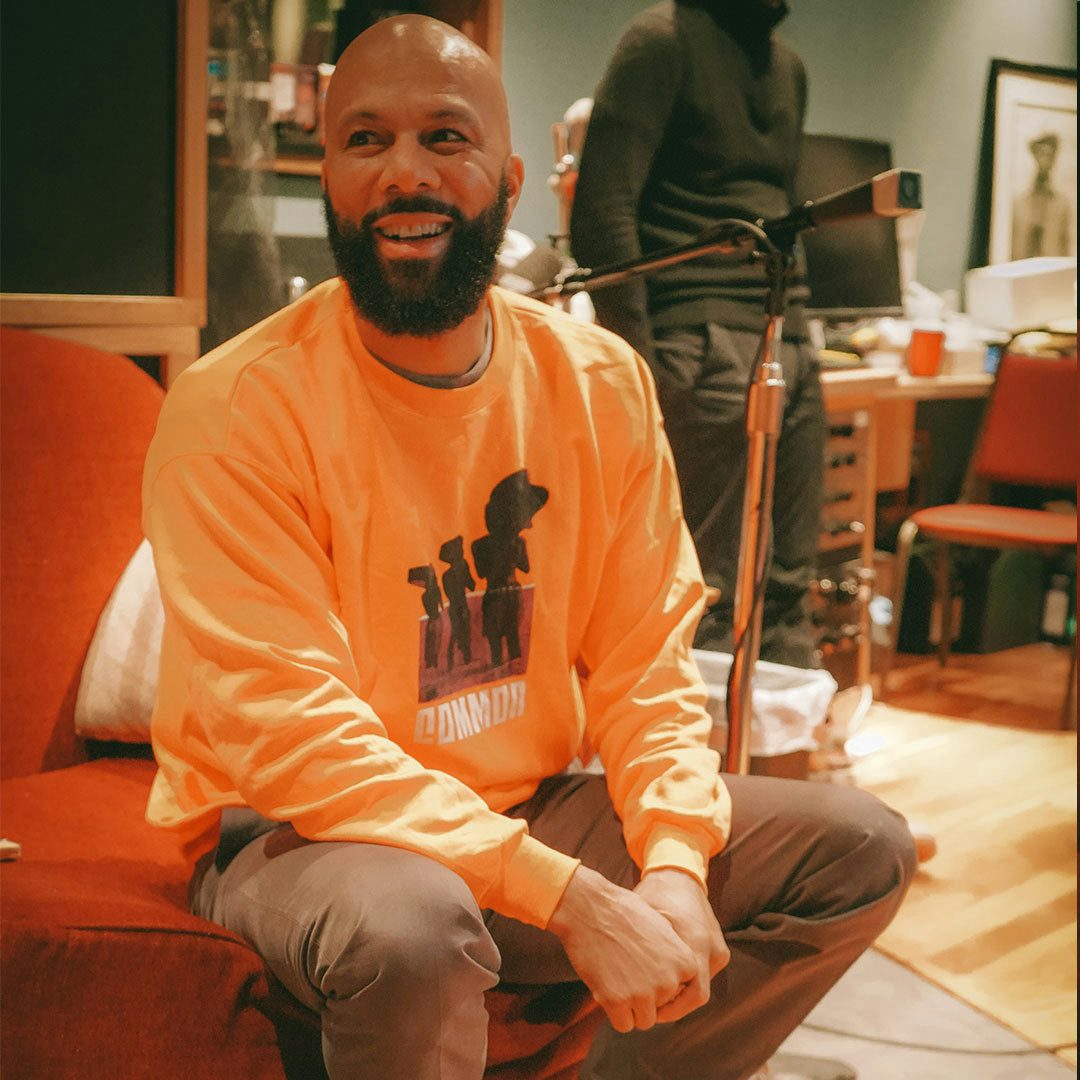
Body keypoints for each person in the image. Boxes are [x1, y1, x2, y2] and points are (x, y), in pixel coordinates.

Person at [143, 15, 916, 1079]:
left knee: (861, 848)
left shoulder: (600, 382)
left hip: (526, 805)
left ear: (509, 182)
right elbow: (294, 738)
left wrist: (675, 864)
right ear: (329, 176)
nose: (404, 172)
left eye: (445, 137)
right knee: (417, 925)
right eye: (365, 139)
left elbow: (646, 663)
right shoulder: (234, 406)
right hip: (299, 832)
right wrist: (572, 898)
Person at [570, 0, 826, 668]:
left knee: (789, 587)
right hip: (699, 339)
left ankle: (784, 735)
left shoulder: (789, 68)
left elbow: (781, 211)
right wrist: (643, 369)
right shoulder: (661, 41)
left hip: (788, 334)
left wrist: (805, 338)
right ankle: (698, 741)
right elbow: (601, 212)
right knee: (706, 595)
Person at [1011, 132, 1072, 260]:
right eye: (1041, 154)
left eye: (1049, 155)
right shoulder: (1019, 204)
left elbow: (1065, 247)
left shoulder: (1062, 205)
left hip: (1052, 268)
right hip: (1022, 267)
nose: (1045, 161)